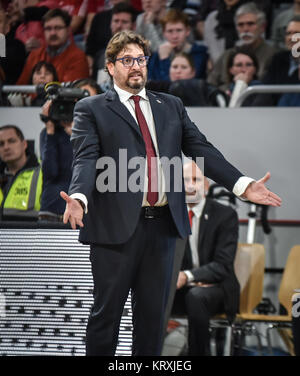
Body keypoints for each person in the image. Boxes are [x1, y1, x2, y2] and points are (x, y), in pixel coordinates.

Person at [60, 30, 281, 356]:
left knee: (152, 322)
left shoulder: (170, 105)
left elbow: (202, 149)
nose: (136, 66)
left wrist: (241, 184)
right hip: (114, 229)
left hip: (164, 228)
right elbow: (86, 158)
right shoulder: (92, 108)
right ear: (110, 66)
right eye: (127, 60)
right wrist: (79, 196)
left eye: (141, 59)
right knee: (106, 318)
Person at [169, 161, 239, 356]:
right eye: (185, 180)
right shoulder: (168, 216)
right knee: (152, 294)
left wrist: (188, 276)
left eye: (196, 180)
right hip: (181, 289)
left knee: (197, 297)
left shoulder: (225, 215)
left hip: (217, 289)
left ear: (206, 186)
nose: (190, 185)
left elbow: (223, 265)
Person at [207, 2, 277, 91]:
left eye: (250, 24)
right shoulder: (228, 54)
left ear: (263, 26)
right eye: (241, 25)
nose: (245, 29)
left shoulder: (273, 55)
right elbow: (210, 84)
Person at [17, 8, 89, 85]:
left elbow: (71, 92)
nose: (53, 33)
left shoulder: (78, 57)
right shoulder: (34, 55)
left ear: (68, 30)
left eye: (58, 28)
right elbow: (21, 87)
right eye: (48, 28)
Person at [147, 8, 208, 81]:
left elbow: (179, 86)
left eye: (179, 30)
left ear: (187, 31)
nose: (175, 36)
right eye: (170, 31)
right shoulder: (157, 55)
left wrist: (164, 60)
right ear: (164, 33)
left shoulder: (199, 53)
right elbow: (151, 84)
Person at [146, 52, 226, 106]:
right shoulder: (154, 92)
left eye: (184, 67)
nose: (178, 71)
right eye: (175, 67)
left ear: (193, 72)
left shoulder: (203, 90)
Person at [253, 15, 300, 106]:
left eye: (296, 33)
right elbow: (266, 89)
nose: (291, 38)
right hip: (276, 114)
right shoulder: (278, 59)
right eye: (288, 33)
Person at [0, 125, 42, 221]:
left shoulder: (42, 172)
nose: (6, 147)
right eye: (1, 144)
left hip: (31, 233)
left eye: (11, 141)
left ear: (24, 144)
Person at [87, 2, 137, 79]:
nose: (119, 26)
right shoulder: (101, 56)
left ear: (133, 26)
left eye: (124, 22)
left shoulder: (141, 54)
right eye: (116, 21)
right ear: (110, 24)